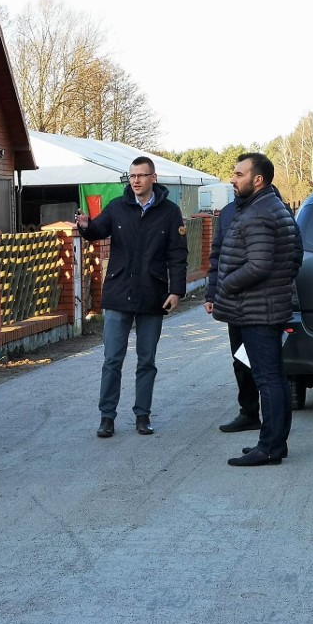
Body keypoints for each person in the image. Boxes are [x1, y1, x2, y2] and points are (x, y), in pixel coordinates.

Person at [75, 156, 188, 437]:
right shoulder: (117, 207)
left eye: (141, 175)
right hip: (118, 294)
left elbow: (178, 255)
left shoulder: (170, 212)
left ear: (154, 178)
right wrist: (86, 225)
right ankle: (107, 417)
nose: (136, 180)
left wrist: (176, 291)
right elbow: (97, 230)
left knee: (146, 360)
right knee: (112, 359)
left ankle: (142, 415)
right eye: (132, 176)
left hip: (153, 295)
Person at [212, 153, 301, 466]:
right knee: (272, 377)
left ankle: (271, 448)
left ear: (257, 179)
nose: (233, 180)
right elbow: (290, 258)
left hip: (258, 310)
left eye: (238, 174)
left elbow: (260, 264)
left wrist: (226, 283)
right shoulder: (268, 207)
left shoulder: (260, 212)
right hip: (262, 305)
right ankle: (274, 443)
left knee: (268, 380)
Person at [205, 197, 261, 433]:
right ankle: (249, 413)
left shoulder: (271, 207)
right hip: (233, 301)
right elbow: (217, 255)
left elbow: (292, 252)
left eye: (239, 174)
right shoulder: (228, 212)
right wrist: (211, 293)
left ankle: (276, 422)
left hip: (263, 300)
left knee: (268, 362)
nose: (233, 179)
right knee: (241, 358)